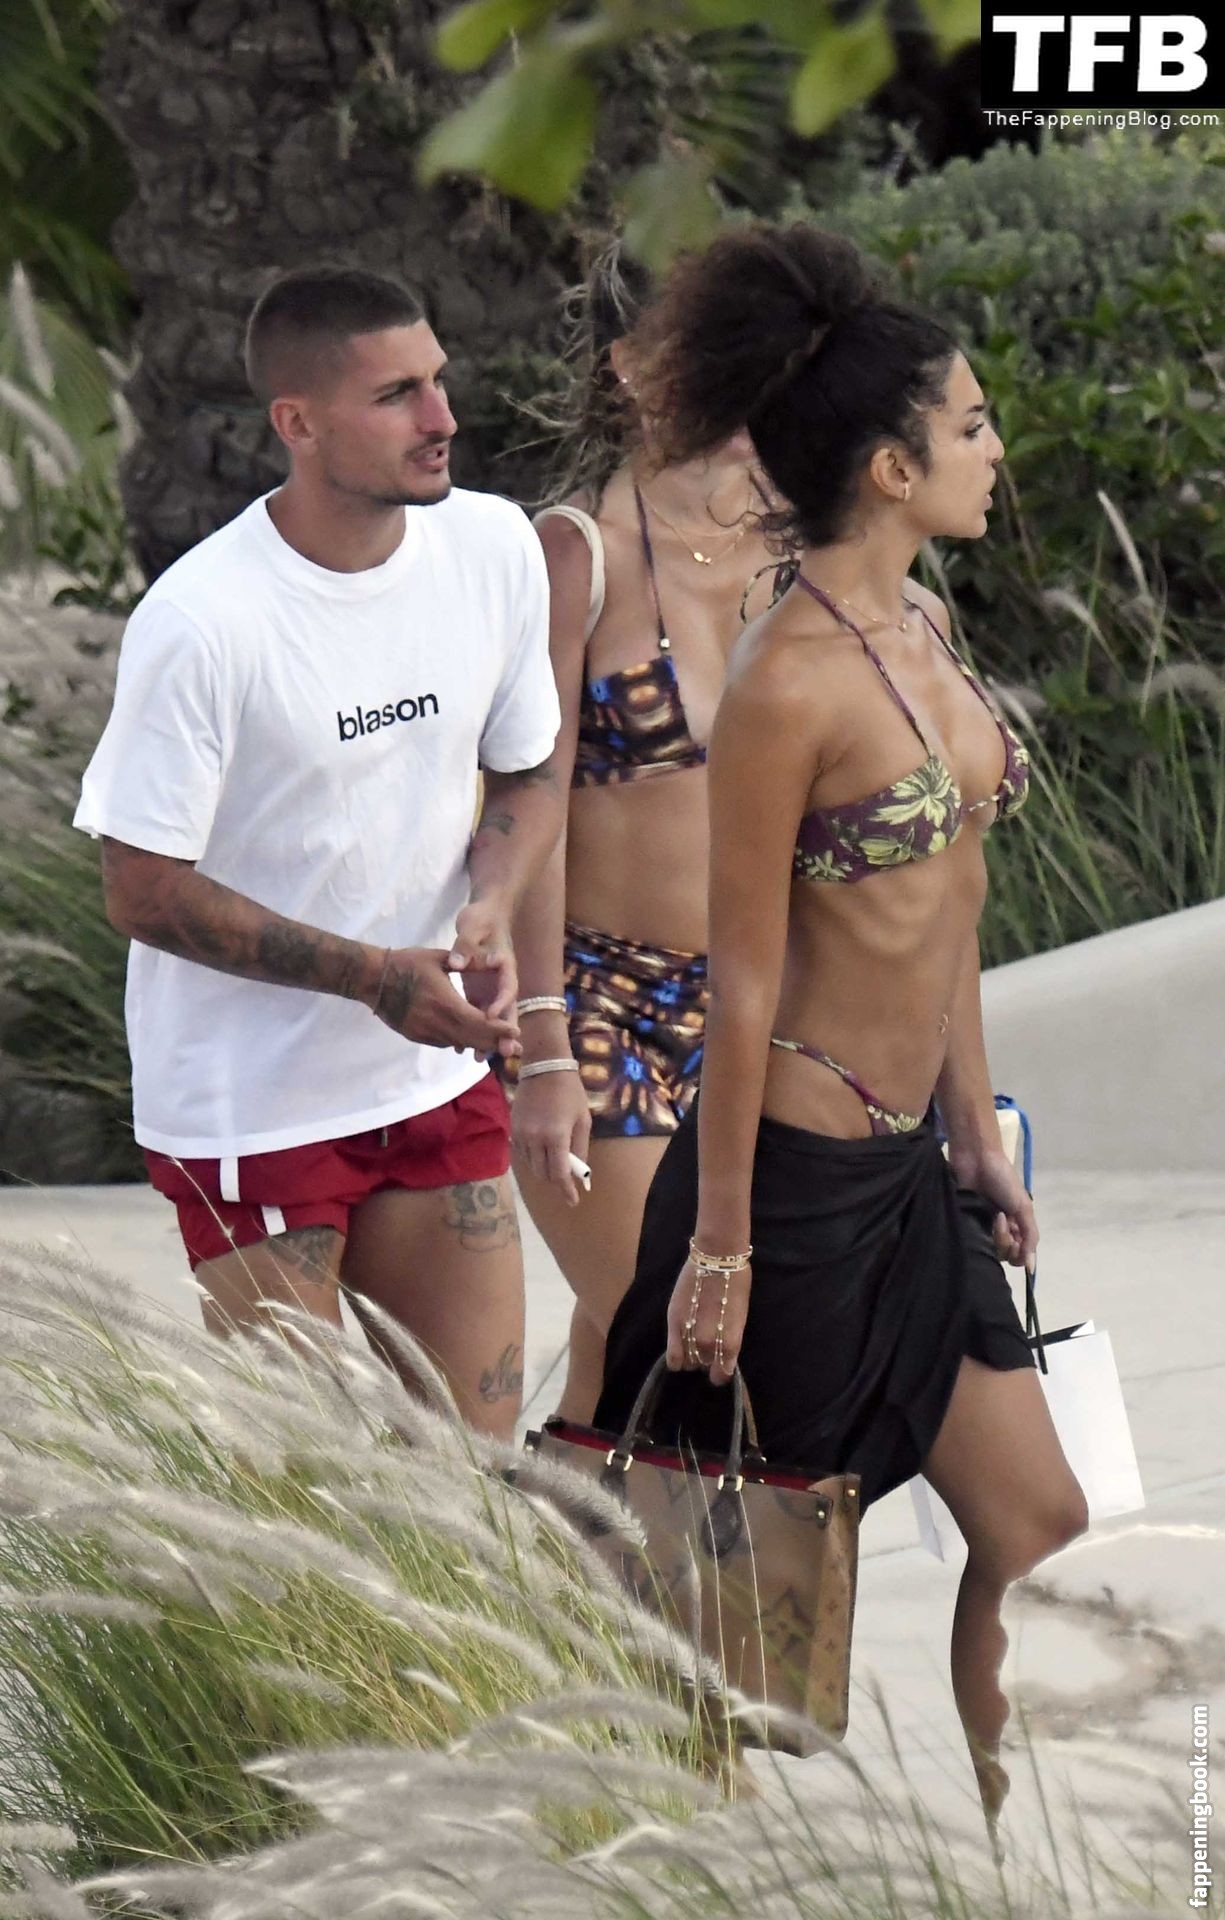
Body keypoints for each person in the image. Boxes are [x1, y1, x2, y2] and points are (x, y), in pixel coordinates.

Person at [593, 224, 1089, 1828]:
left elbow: (949, 906)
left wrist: (974, 1133)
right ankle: (688, 1865)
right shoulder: (785, 683)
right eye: (970, 426)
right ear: (888, 468)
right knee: (735, 1615)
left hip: (910, 1178)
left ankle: (1032, 1856)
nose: (994, 451)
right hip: (791, 1195)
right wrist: (719, 1251)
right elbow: (740, 983)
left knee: (1039, 1531)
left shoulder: (922, 628)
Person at [74, 265, 563, 1440]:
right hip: (252, 1109)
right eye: (397, 395)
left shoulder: (493, 547)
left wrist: (490, 899)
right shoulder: (204, 621)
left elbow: (532, 769)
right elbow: (140, 890)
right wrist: (373, 977)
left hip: (433, 1074)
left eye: (437, 382)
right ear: (296, 422)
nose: (442, 419)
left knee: (475, 1474)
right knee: (306, 1480)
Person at [504, 243, 786, 1422]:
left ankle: (555, 1526)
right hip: (602, 1001)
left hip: (756, 1005)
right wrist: (542, 1043)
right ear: (629, 366)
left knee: (620, 1360)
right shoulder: (573, 554)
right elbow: (525, 811)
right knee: (669, 1339)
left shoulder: (802, 545)